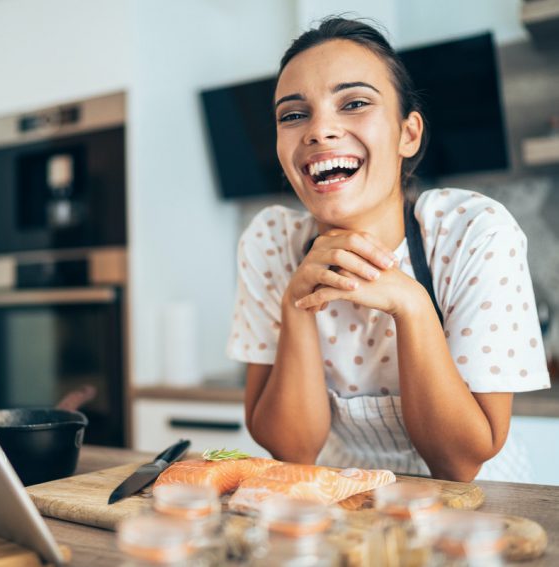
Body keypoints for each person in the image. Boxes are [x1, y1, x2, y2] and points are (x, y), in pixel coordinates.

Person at [226, 17, 550, 482]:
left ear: (408, 134)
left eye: (354, 103)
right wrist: (297, 306)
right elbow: (293, 450)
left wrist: (413, 305)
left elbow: (458, 463)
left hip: (479, 503)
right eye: (293, 115)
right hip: (346, 494)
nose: (319, 130)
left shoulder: (475, 232)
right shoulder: (270, 243)